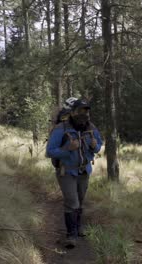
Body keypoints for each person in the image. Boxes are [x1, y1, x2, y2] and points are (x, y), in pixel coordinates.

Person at [46, 98, 103, 249]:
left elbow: (98, 146)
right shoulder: (61, 129)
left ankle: (78, 228)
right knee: (72, 202)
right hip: (66, 171)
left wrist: (95, 145)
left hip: (84, 170)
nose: (83, 114)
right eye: (80, 110)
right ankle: (71, 235)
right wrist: (67, 149)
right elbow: (49, 151)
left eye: (86, 111)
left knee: (80, 200)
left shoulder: (91, 128)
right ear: (72, 112)